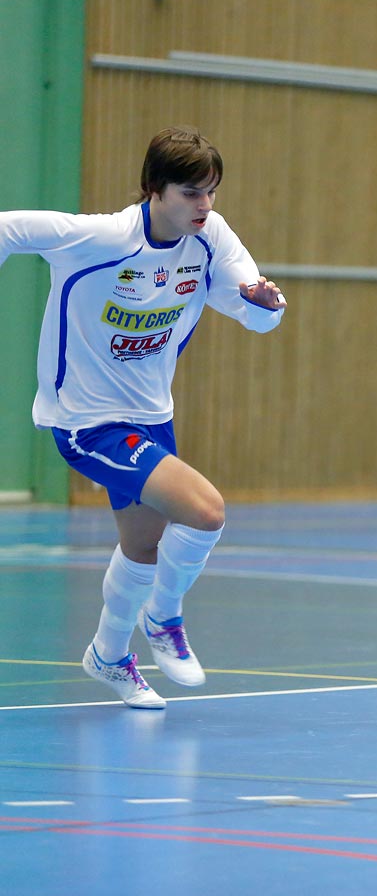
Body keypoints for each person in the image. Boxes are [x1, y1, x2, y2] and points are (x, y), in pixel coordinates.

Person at [0, 126, 286, 708]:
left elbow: (254, 310)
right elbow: (10, 227)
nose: (204, 206)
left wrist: (266, 305)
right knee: (205, 512)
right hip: (86, 421)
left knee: (144, 547)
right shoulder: (102, 238)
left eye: (211, 192)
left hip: (153, 415)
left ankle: (108, 655)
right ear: (155, 190)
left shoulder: (210, 239)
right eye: (190, 193)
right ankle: (164, 617)